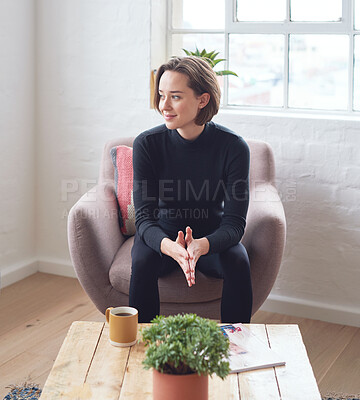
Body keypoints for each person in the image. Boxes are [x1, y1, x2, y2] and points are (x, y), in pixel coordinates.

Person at [129, 56, 252, 323]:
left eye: (175, 96)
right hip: (161, 234)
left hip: (210, 236)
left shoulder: (233, 148)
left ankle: (239, 344)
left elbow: (234, 224)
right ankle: (141, 348)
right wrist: (170, 248)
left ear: (202, 100)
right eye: (161, 95)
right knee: (141, 261)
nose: (164, 106)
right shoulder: (147, 144)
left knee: (238, 260)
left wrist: (201, 246)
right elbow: (144, 219)